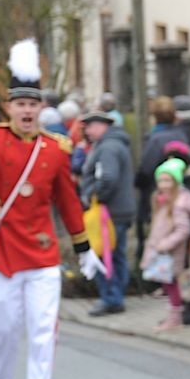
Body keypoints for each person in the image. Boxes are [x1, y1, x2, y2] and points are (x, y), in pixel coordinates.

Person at [0, 39, 104, 379]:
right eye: (20, 104)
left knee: (43, 326)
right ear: (9, 108)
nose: (26, 111)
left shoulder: (55, 149)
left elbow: (68, 201)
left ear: (42, 108)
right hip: (1, 250)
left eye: (32, 104)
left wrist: (85, 247)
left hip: (41, 251)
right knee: (4, 327)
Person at [80, 110, 137, 317]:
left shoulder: (108, 148)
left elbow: (108, 178)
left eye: (89, 126)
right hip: (119, 210)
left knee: (105, 256)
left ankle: (111, 298)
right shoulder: (114, 144)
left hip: (108, 212)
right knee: (116, 255)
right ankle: (116, 296)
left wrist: (92, 196)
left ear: (100, 126)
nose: (87, 131)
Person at [141, 158, 190, 331]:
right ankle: (173, 315)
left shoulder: (179, 204)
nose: (163, 184)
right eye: (160, 180)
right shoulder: (162, 201)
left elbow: (183, 229)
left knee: (172, 286)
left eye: (167, 180)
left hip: (171, 254)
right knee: (168, 286)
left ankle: (175, 317)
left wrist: (165, 244)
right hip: (163, 253)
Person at [136, 96, 188, 261]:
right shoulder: (181, 135)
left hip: (159, 195)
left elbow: (146, 169)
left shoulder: (155, 139)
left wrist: (138, 182)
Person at [162, 140, 190, 325]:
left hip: (188, 238)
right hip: (178, 239)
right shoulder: (169, 192)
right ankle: (184, 306)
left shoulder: (189, 188)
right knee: (181, 273)